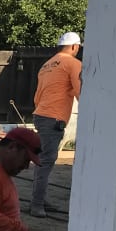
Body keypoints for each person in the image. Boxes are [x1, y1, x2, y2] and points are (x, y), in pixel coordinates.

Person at [29, 31, 83, 218]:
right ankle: (36, 205)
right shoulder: (73, 64)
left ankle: (40, 199)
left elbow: (38, 94)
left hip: (41, 114)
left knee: (42, 159)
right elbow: (80, 90)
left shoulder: (46, 65)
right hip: (53, 118)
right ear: (75, 47)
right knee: (46, 161)